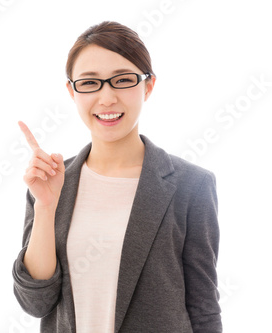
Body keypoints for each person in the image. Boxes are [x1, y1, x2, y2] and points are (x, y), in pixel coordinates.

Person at [11, 21, 222, 333]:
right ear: (72, 91)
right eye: (89, 83)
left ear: (147, 86)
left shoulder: (191, 186)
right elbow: (36, 304)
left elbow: (204, 308)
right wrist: (45, 207)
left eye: (122, 80)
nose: (107, 98)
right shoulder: (51, 184)